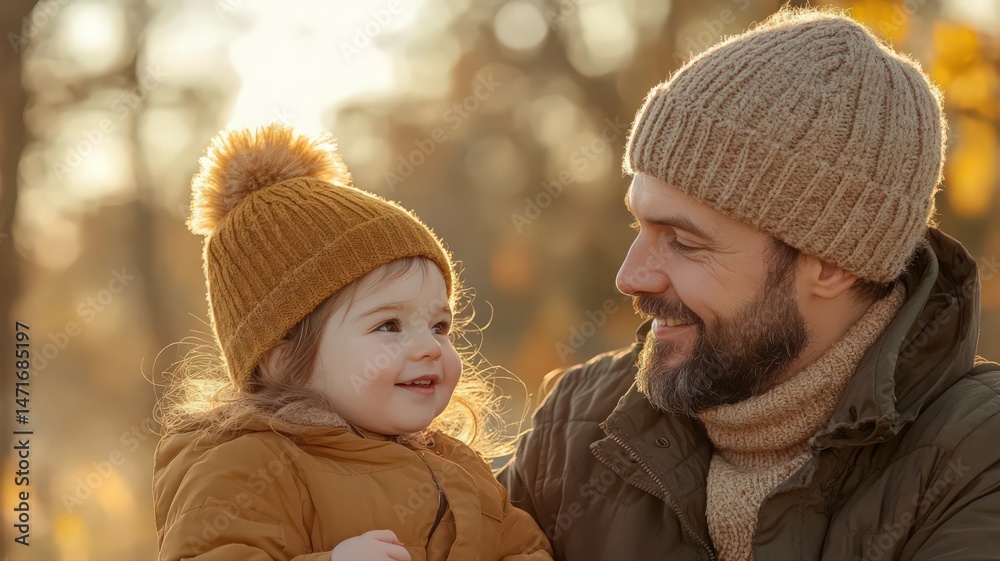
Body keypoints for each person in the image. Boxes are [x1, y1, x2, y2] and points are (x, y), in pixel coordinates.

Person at [501, 8, 1000, 561]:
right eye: (638, 225)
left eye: (684, 242)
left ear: (835, 264)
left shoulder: (977, 458)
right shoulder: (579, 422)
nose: (630, 277)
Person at [153, 124, 552, 561]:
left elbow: (525, 549)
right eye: (389, 326)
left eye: (439, 326)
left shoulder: (461, 468)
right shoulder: (247, 467)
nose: (430, 348)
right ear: (282, 355)